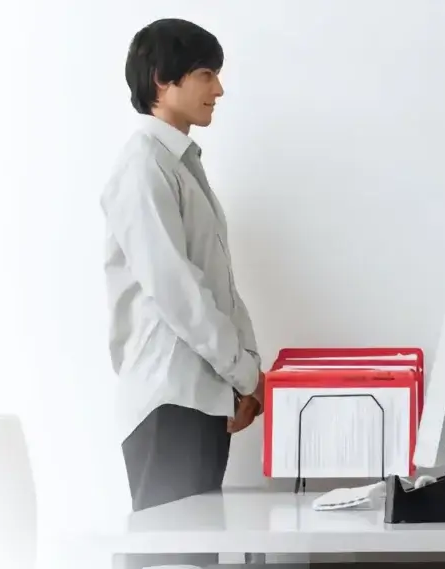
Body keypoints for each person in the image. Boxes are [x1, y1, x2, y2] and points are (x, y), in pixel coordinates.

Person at [101, 17, 265, 525]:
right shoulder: (143, 166)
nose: (218, 89)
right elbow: (179, 292)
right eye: (205, 74)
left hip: (198, 399)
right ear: (162, 80)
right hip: (170, 401)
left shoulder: (178, 164)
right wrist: (245, 374)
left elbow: (218, 287)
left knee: (194, 551)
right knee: (170, 553)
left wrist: (243, 377)